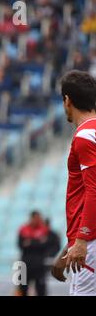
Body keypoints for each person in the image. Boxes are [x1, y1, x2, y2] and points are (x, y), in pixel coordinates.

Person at [51, 70, 96, 295]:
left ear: (67, 100)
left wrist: (81, 241)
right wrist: (69, 248)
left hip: (90, 244)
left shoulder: (85, 136)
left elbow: (93, 191)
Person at [17, 210, 49, 296]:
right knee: (22, 288)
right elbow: (20, 245)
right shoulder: (23, 229)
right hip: (25, 264)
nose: (38, 220)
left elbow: (45, 245)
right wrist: (37, 242)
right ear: (31, 218)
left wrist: (30, 242)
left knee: (41, 289)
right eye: (36, 218)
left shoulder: (43, 229)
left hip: (39, 265)